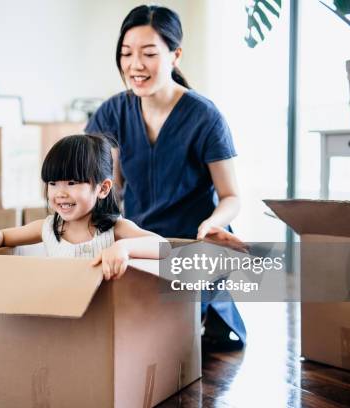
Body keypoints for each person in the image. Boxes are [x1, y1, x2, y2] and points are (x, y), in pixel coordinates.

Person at [85, 5, 246, 351]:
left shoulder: (205, 116)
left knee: (168, 345)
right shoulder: (112, 113)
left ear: (175, 55)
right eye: (126, 54)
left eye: (148, 53)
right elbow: (106, 192)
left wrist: (213, 224)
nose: (135, 65)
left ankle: (206, 314)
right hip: (138, 244)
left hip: (191, 245)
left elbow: (231, 195)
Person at [0, 134, 169, 280]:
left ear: (103, 188)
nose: (60, 193)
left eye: (72, 183)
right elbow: (2, 236)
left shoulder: (115, 229)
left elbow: (163, 246)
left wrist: (123, 248)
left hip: (103, 319)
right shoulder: (48, 228)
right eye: (53, 183)